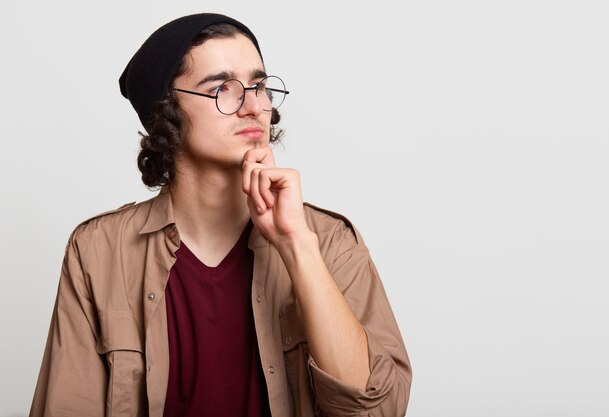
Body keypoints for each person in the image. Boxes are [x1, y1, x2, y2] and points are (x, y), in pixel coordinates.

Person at [30, 13, 411, 417]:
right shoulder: (97, 251)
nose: (253, 106)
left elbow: (378, 409)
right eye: (222, 88)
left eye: (259, 86)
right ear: (165, 111)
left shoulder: (329, 241)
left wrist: (298, 247)